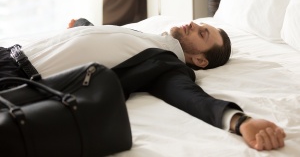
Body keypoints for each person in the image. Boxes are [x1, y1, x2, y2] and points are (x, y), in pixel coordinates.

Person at [1, 18, 285, 152]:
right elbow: (107, 38)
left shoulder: (166, 64)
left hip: (17, 80)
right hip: (9, 53)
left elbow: (190, 97)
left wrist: (239, 120)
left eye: (202, 33)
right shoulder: (148, 36)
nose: (192, 24)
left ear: (199, 60)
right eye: (199, 24)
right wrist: (81, 25)